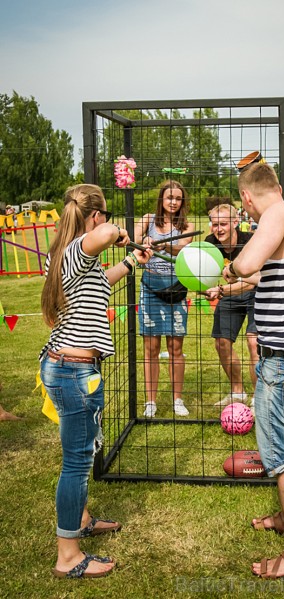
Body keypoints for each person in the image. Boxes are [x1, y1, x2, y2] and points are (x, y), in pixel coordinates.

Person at [39, 184, 152, 579]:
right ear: (96, 216)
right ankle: (68, 555)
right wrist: (120, 232)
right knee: (76, 463)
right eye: (103, 217)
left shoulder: (73, 256)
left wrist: (133, 259)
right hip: (72, 372)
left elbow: (100, 282)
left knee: (80, 453)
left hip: (70, 368)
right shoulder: (79, 247)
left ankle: (82, 518)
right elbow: (103, 237)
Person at [223, 162, 284, 581]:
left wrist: (229, 270)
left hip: (283, 358)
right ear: (276, 185)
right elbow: (271, 272)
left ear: (247, 198)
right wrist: (230, 289)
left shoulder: (278, 213)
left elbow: (246, 263)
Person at [134, 180, 195, 418]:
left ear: (183, 202)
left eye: (178, 198)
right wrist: (143, 242)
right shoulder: (148, 219)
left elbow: (181, 249)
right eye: (170, 198)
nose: (174, 202)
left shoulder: (186, 224)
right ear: (162, 199)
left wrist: (163, 246)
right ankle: (151, 401)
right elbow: (134, 240)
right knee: (150, 347)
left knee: (175, 347)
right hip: (150, 286)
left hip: (175, 289)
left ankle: (177, 400)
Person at [203, 204, 258, 409]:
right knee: (221, 343)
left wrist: (223, 291)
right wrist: (206, 289)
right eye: (215, 224)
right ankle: (238, 392)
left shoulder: (251, 240)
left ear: (235, 222)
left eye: (224, 224)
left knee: (254, 342)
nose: (219, 229)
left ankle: (257, 398)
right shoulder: (209, 243)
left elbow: (255, 279)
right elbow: (204, 276)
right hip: (229, 293)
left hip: (255, 293)